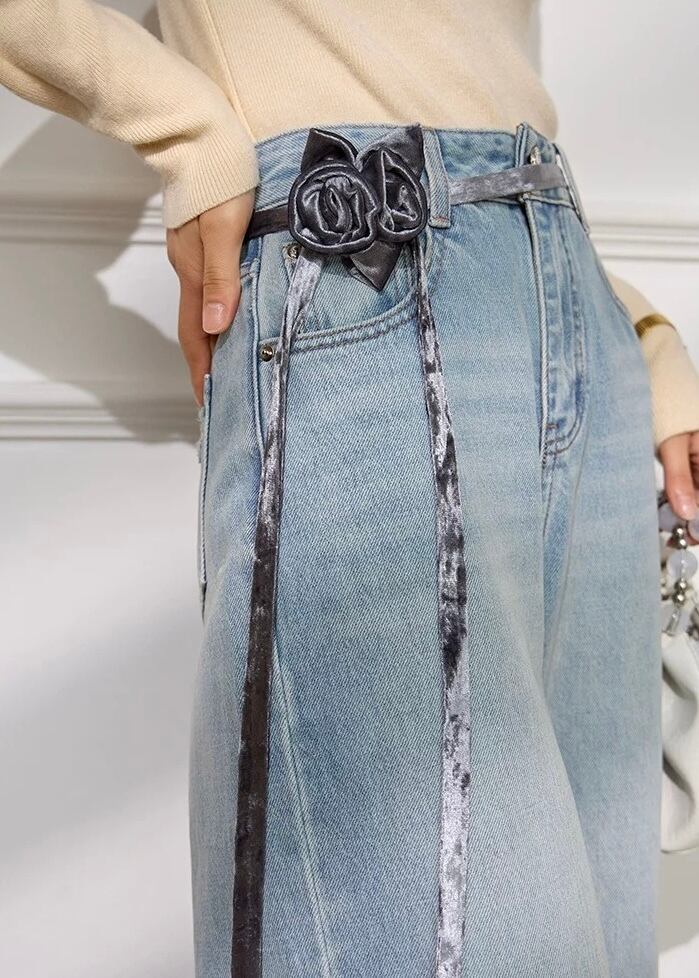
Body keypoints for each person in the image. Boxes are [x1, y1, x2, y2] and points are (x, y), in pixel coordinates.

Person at [2, 3, 697, 977]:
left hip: (573, 314)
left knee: (590, 943)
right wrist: (186, 130)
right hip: (352, 285)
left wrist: (641, 333)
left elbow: (463, 88)